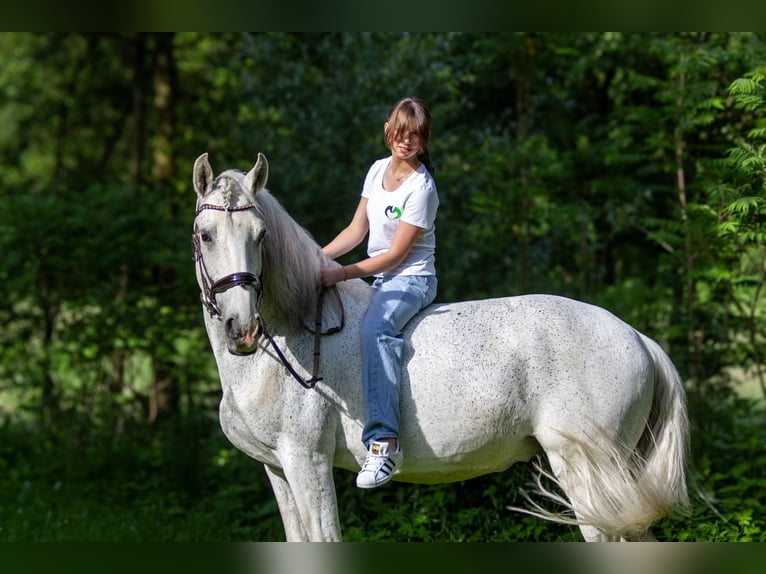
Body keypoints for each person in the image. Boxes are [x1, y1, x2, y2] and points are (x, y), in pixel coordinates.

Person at [320, 96, 439, 489]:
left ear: (423, 141)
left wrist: (339, 273)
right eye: (401, 134)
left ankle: (384, 444)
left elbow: (394, 256)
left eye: (416, 137)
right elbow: (356, 232)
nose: (407, 142)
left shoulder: (422, 188)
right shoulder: (376, 171)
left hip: (411, 279)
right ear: (389, 132)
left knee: (375, 331)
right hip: (381, 278)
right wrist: (315, 259)